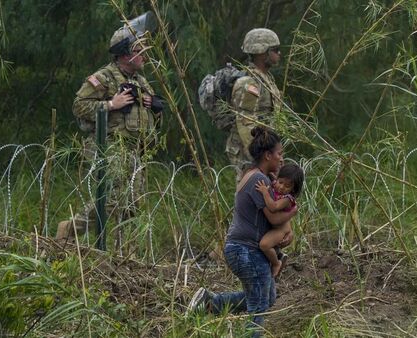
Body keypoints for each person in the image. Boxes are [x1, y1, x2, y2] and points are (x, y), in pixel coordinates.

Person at [56, 17, 162, 243]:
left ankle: (123, 250)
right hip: (110, 146)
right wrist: (111, 105)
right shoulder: (103, 77)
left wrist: (153, 105)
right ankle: (71, 228)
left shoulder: (141, 81)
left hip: (136, 150)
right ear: (125, 54)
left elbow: (150, 115)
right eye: (138, 50)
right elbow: (79, 106)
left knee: (134, 203)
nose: (144, 54)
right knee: (113, 198)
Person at [187, 127, 295, 337]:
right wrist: (293, 213)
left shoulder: (256, 175)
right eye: (279, 154)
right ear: (267, 155)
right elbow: (273, 217)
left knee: (267, 298)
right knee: (259, 307)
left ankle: (210, 303)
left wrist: (287, 230)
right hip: (246, 251)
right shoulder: (259, 181)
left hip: (245, 249)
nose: (282, 159)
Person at [227, 28, 282, 182]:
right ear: (262, 53)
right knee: (249, 196)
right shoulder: (249, 82)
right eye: (275, 50)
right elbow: (245, 122)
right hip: (250, 152)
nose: (279, 54)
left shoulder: (266, 79)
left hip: (265, 150)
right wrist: (259, 157)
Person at [255, 163, 304, 276]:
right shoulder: (275, 184)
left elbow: (273, 207)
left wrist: (264, 192)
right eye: (280, 182)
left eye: (287, 186)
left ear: (293, 189)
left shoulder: (287, 199)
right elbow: (273, 176)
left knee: (264, 245)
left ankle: (276, 263)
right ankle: (278, 255)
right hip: (275, 228)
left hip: (281, 230)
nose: (281, 187)